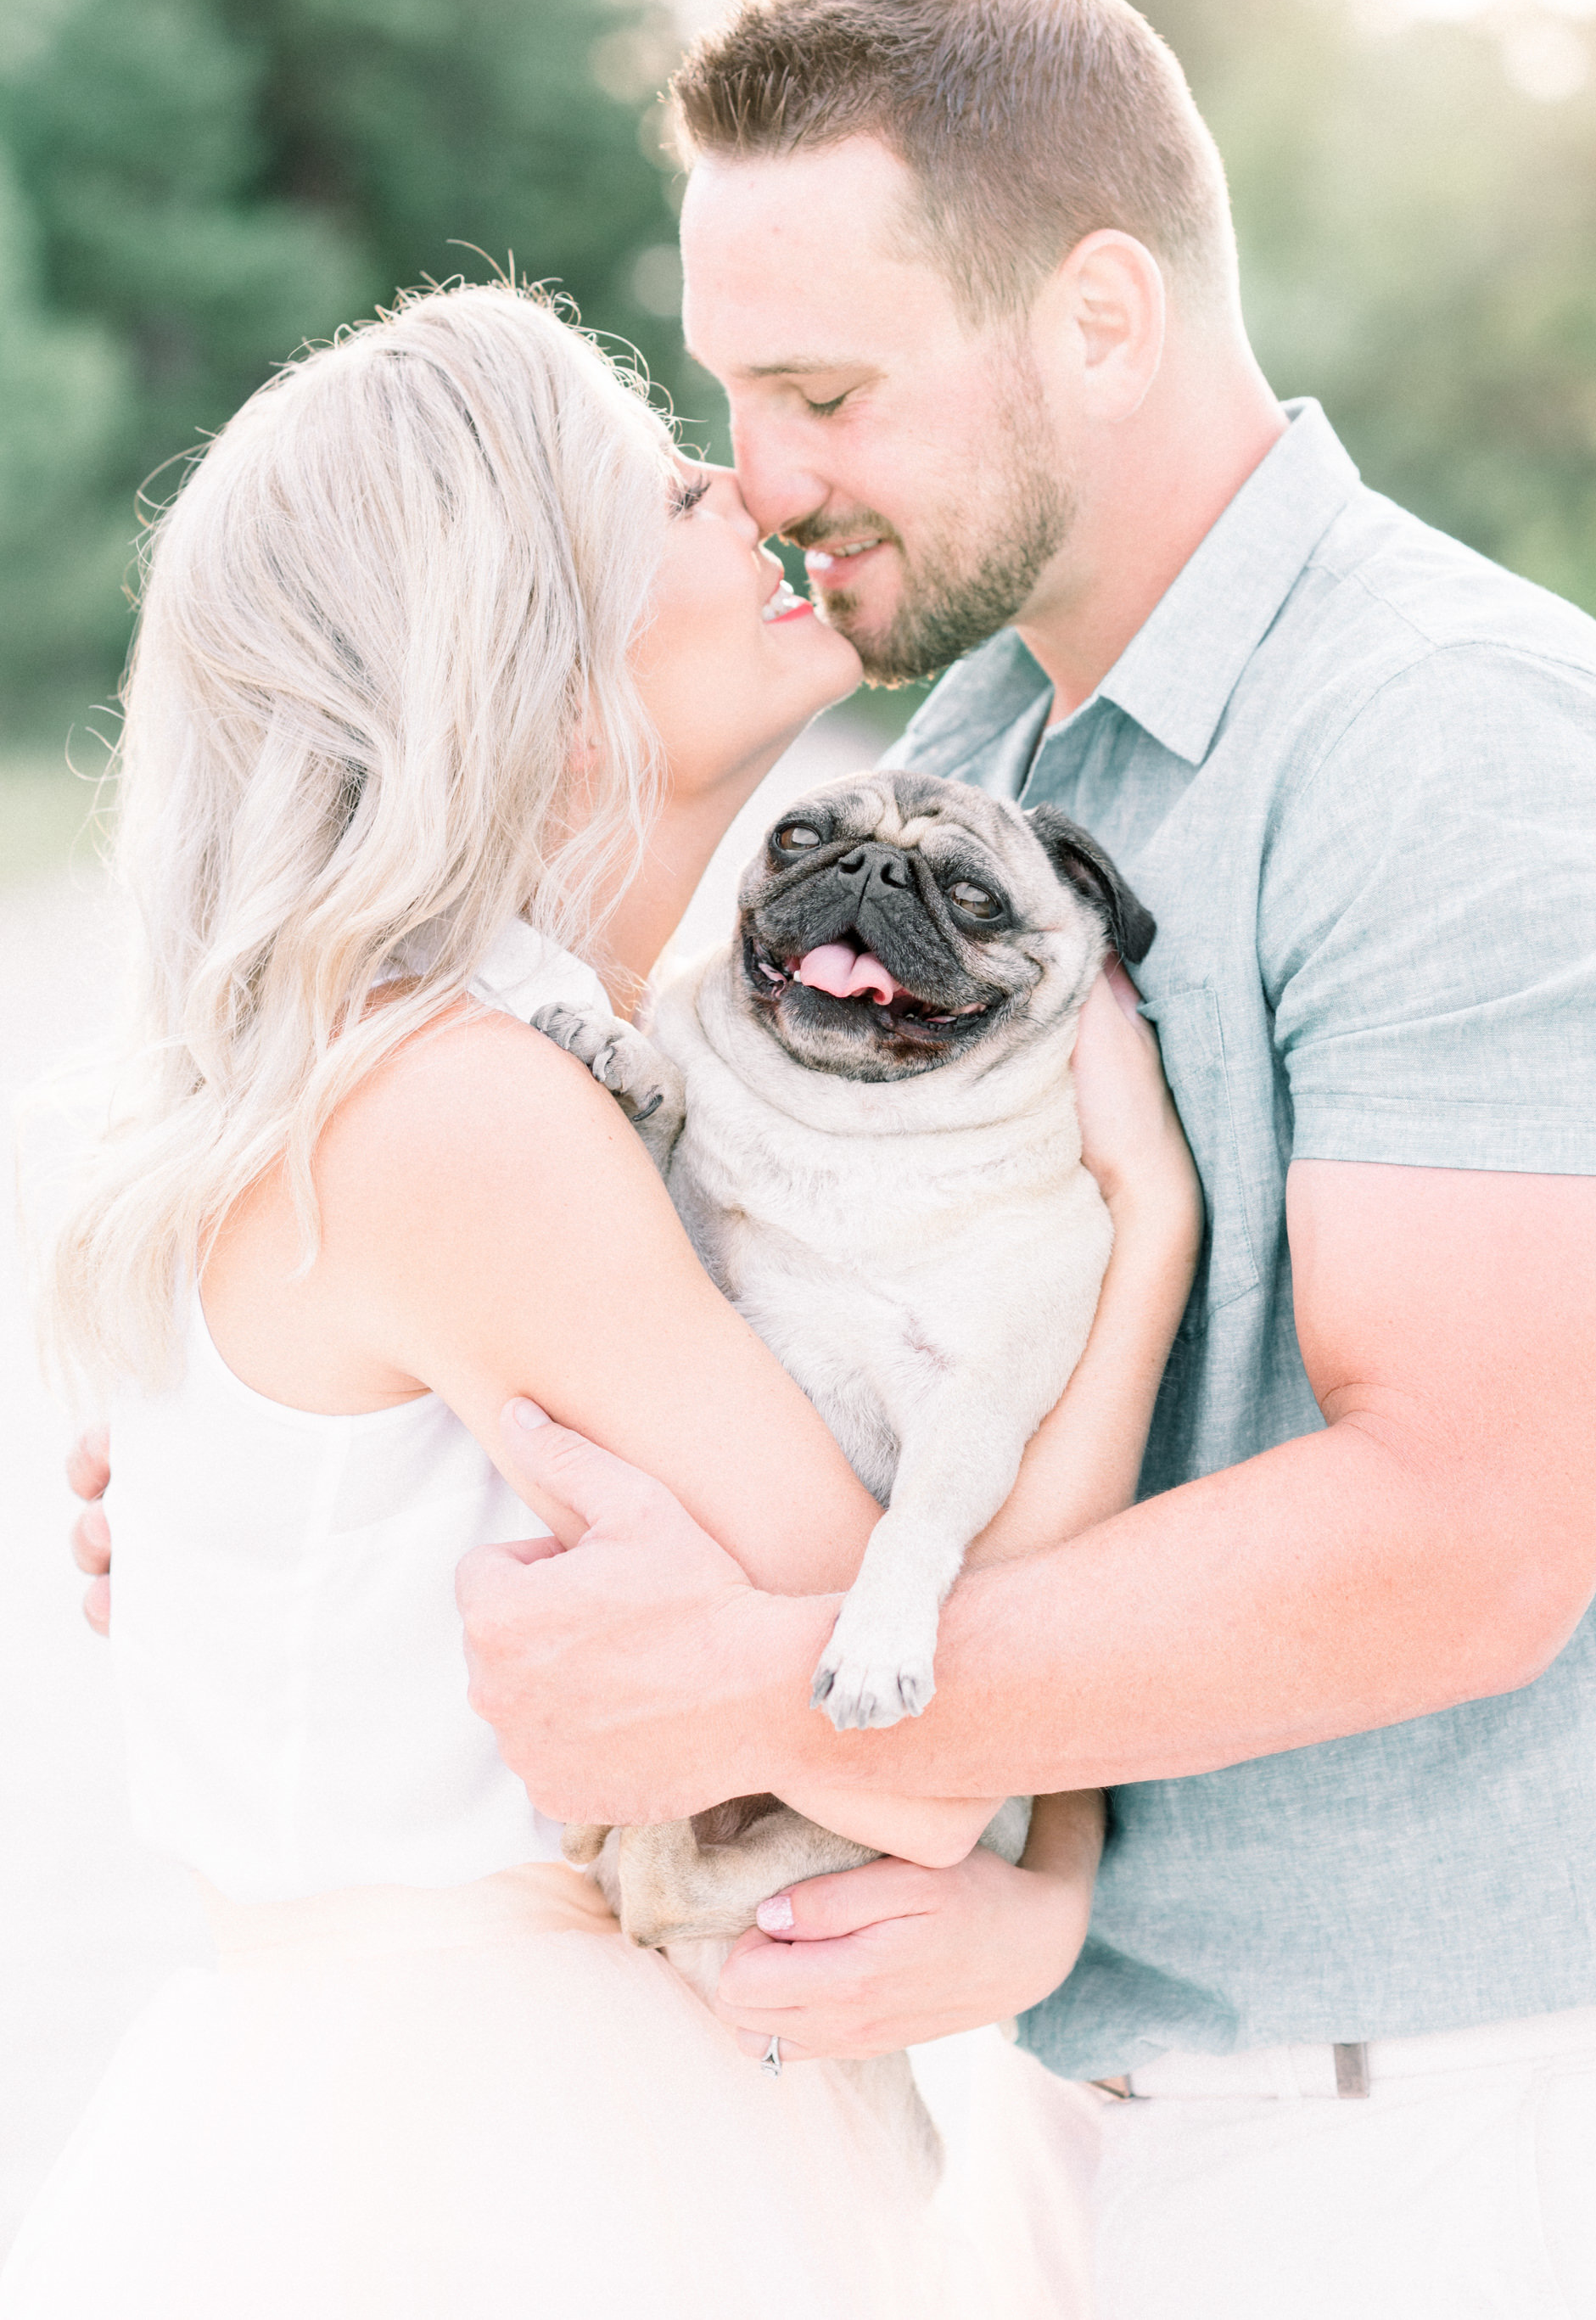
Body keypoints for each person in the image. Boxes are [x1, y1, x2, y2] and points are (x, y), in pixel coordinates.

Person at [412, 0, 1596, 2317]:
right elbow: (753, 1295)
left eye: (825, 389)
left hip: (1442, 2126)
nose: (768, 483)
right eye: (733, 393)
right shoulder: (962, 770)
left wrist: (780, 1679)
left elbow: (1464, 1535)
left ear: (1101, 318)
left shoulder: (1474, 750)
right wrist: (336, 1435)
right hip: (1069, 2103)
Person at [24, 278, 1200, 2319]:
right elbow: (917, 1758)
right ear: (530, 648)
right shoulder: (472, 1114)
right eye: (667, 488)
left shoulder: (510, 1066)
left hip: (514, 2098)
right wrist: (1142, 1231)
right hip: (505, 2161)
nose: (744, 497)